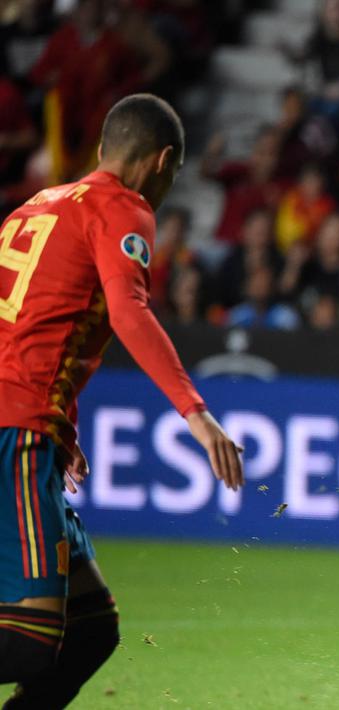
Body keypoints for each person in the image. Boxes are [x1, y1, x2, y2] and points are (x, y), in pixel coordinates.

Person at [0, 94, 245, 708]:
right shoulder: (121, 207)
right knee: (33, 641)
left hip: (30, 426)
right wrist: (196, 412)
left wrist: (62, 423)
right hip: (15, 433)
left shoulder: (36, 205)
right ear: (162, 161)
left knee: (91, 631)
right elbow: (128, 311)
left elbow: (28, 325)